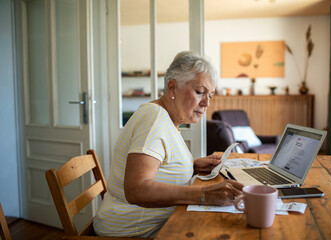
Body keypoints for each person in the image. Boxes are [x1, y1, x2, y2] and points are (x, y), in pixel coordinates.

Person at [93, 51, 244, 238]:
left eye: (210, 95)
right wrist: (204, 193)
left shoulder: (166, 120)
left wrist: (193, 165)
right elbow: (136, 190)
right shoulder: (154, 119)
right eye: (200, 92)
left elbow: (160, 165)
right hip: (131, 231)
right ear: (172, 88)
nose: (206, 103)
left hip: (150, 224)